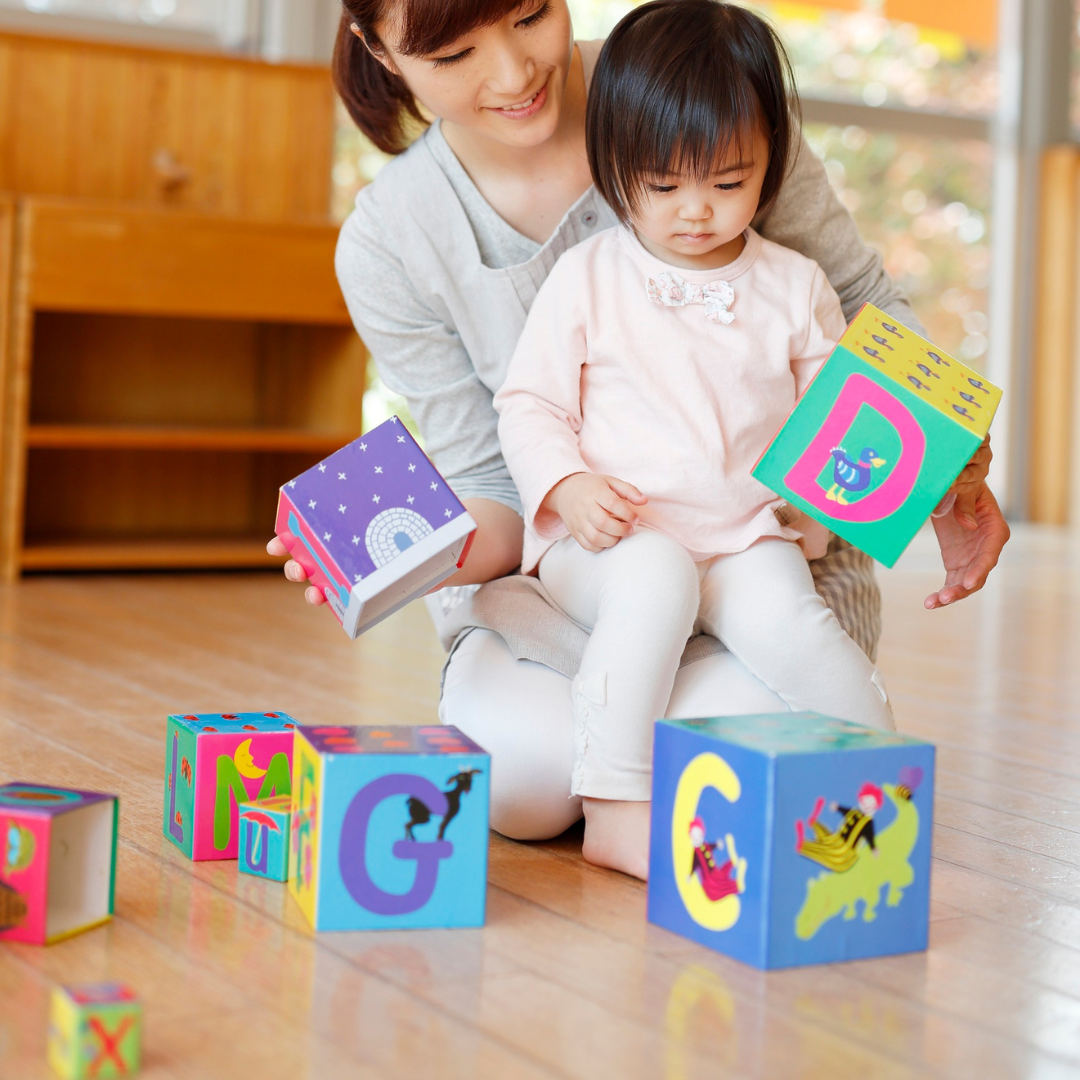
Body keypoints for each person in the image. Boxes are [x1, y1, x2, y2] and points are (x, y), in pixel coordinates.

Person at [267, 0, 1007, 854]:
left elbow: (863, 336)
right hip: (581, 573)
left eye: (530, 14)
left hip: (752, 554)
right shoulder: (401, 241)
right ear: (376, 45)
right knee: (525, 782)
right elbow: (496, 464)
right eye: (454, 53)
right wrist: (394, 551)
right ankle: (616, 796)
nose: (512, 73)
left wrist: (944, 472)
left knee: (766, 741)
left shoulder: (699, 87)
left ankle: (841, 797)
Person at [493, 0, 894, 877]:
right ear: (613, 165)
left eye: (728, 182)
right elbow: (528, 405)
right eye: (665, 186)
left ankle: (875, 800)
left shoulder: (796, 286)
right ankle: (615, 806)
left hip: (743, 537)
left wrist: (821, 503)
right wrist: (566, 487)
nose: (698, 212)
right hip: (614, 539)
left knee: (801, 630)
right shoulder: (588, 276)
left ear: (771, 161)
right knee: (655, 578)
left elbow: (837, 422)